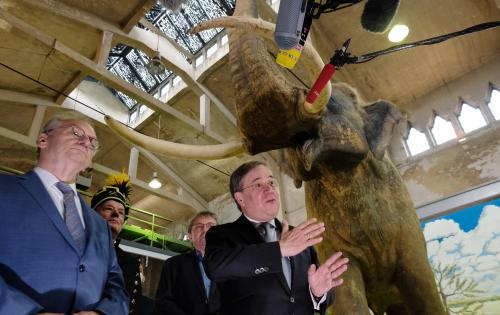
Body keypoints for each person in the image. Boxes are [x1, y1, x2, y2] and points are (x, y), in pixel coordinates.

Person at [0, 113, 128, 314]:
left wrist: (102, 313)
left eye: (93, 142)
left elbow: (117, 286)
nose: (86, 142)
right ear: (43, 139)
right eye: (76, 132)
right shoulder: (4, 188)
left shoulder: (99, 224)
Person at [203, 161, 349, 315]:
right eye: (258, 185)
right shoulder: (223, 234)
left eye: (271, 182)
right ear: (240, 198)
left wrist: (317, 293)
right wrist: (279, 249)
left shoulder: (298, 236)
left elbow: (318, 293)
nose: (269, 188)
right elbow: (216, 268)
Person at [91, 173, 143, 315]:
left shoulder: (131, 264)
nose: (116, 215)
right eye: (108, 209)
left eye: (121, 212)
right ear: (93, 214)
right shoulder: (75, 249)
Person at [154, 211, 221, 315]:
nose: (205, 231)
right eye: (199, 227)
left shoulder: (231, 264)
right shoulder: (173, 265)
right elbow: (163, 302)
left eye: (210, 226)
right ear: (190, 236)